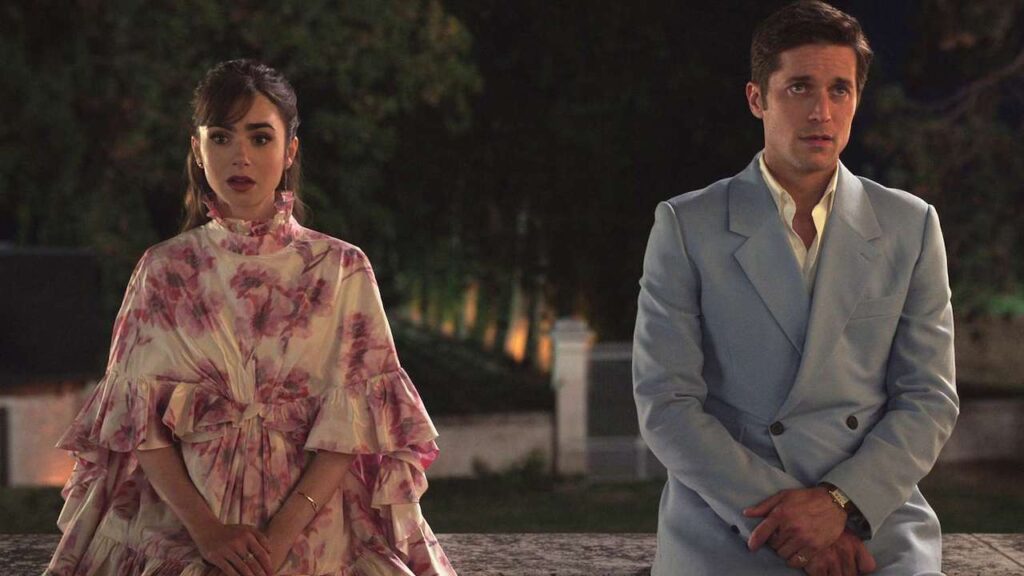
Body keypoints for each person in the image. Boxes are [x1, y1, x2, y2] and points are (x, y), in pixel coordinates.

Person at [44, 59, 456, 576]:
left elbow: (351, 429)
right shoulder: (164, 270)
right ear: (198, 150)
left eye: (260, 138)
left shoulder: (341, 269)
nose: (240, 156)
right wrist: (208, 532)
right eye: (221, 137)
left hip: (317, 527)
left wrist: (279, 541)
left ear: (290, 151)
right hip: (185, 524)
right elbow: (136, 425)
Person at [632, 2, 958, 575]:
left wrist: (840, 503)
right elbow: (666, 404)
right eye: (800, 87)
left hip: (870, 515)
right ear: (757, 98)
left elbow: (929, 398)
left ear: (857, 99)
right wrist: (791, 521)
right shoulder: (687, 226)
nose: (821, 112)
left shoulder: (910, 225)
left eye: (840, 90)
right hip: (732, 515)